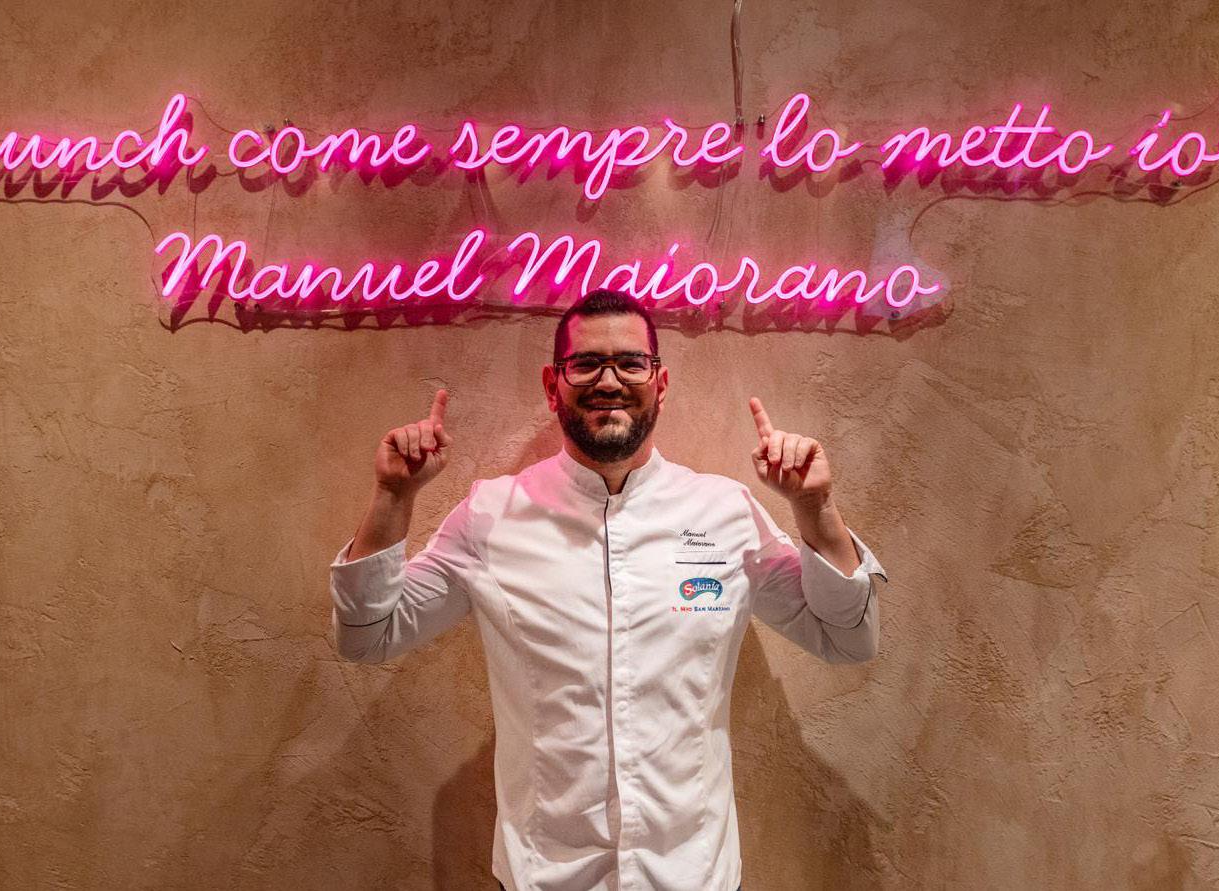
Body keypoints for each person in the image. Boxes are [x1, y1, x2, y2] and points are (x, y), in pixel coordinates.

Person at [328, 288, 888, 891]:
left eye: (630, 363)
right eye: (586, 363)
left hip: (694, 875)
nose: (609, 381)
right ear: (553, 385)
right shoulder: (491, 516)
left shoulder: (725, 511)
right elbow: (367, 637)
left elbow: (847, 639)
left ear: (660, 383)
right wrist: (393, 499)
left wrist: (815, 508)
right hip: (545, 877)